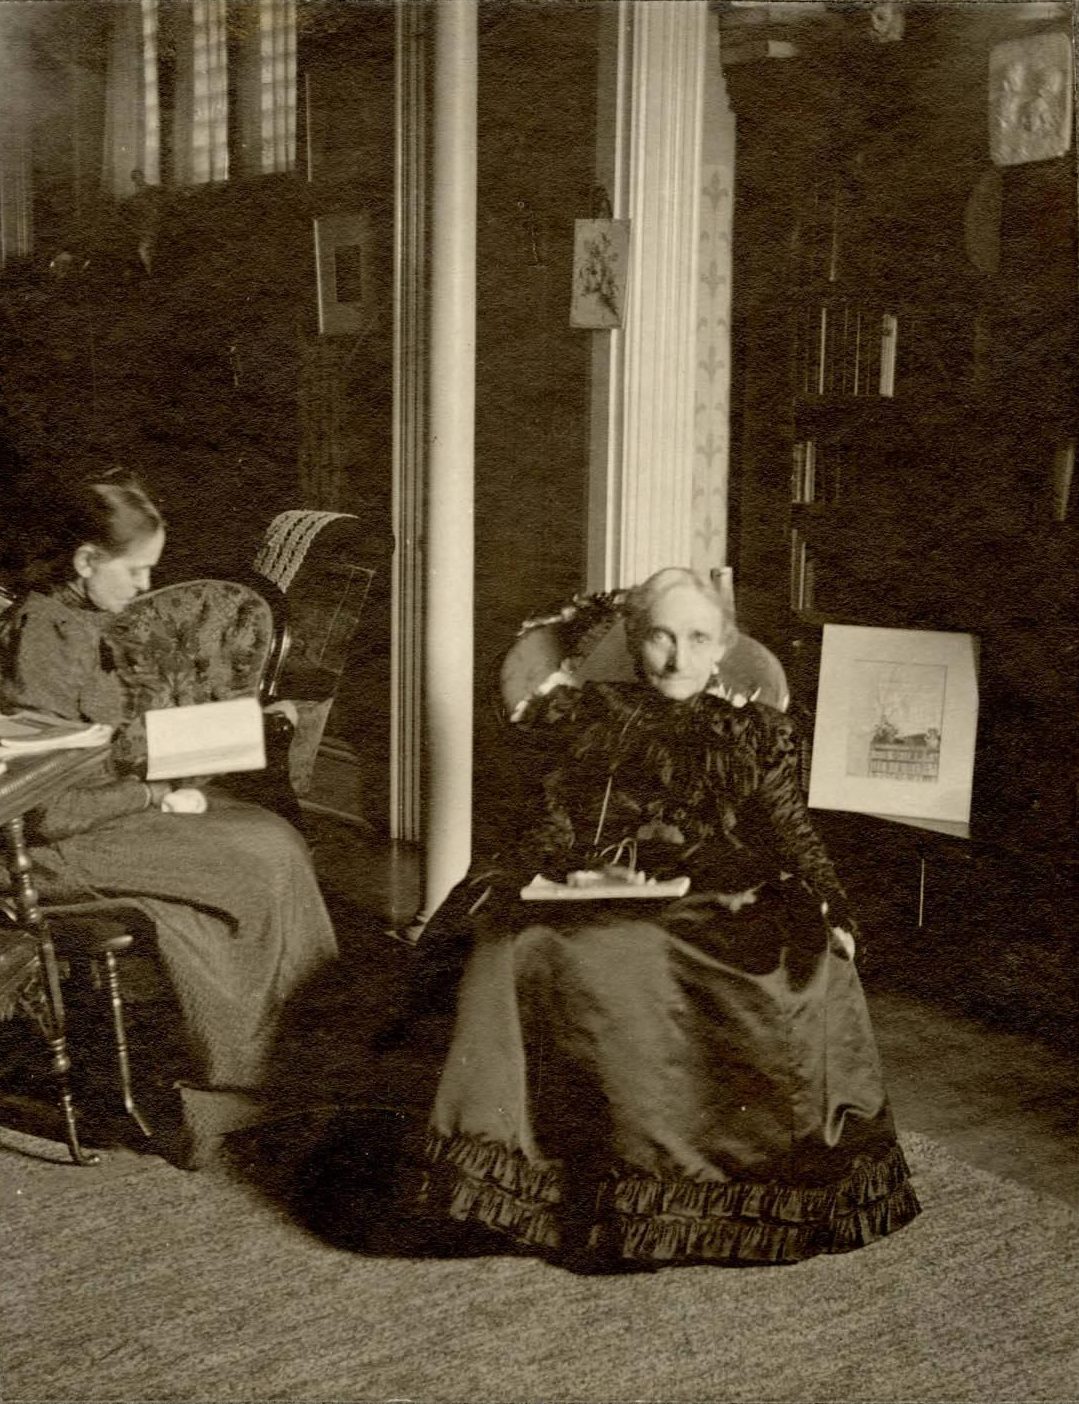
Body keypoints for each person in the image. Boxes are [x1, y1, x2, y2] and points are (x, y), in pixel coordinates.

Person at [339, 567, 920, 1270]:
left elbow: (793, 834)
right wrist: (541, 879)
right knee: (529, 944)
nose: (676, 658)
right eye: (659, 638)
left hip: (720, 895)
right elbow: (550, 826)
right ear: (634, 642)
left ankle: (693, 1187)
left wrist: (836, 907)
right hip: (596, 882)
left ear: (721, 648)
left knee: (736, 953)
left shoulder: (755, 733)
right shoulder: (585, 718)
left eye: (697, 638)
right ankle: (555, 1179)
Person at [0, 469, 338, 1149]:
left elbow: (116, 739)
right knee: (259, 860)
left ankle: (290, 1068)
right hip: (48, 850)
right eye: (137, 572)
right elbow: (44, 810)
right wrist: (156, 788)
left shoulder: (88, 617)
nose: (147, 590)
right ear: (86, 560)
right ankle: (250, 1084)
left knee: (270, 841)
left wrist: (226, 728)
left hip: (108, 817)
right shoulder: (39, 637)